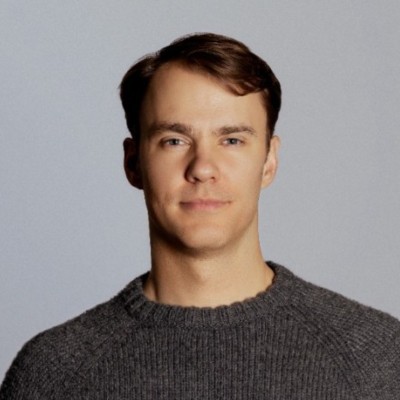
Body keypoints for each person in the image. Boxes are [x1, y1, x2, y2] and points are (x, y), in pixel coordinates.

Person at [1, 32, 399, 399]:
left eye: (232, 140)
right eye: (174, 140)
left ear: (269, 162)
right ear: (133, 163)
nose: (203, 167)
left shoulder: (375, 360)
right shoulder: (53, 373)